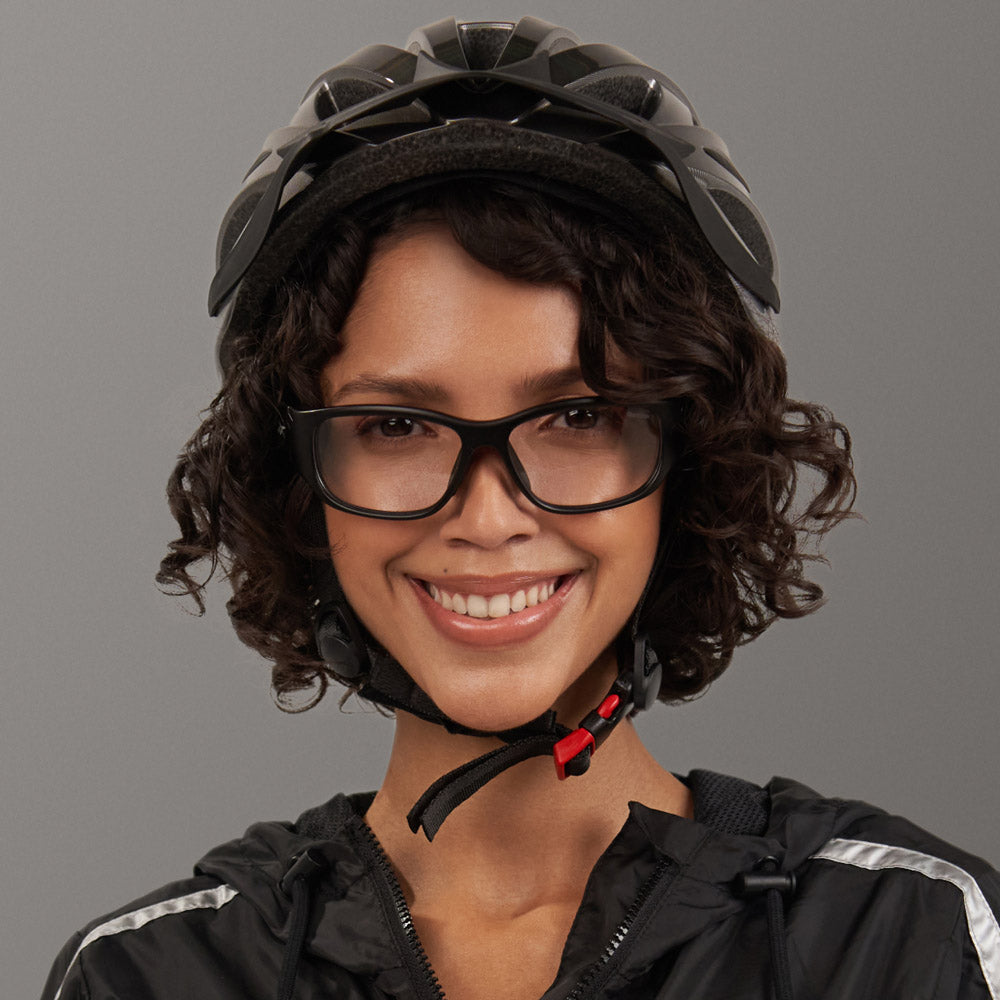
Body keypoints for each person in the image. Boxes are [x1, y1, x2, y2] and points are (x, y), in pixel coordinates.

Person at [41, 16, 999, 1000]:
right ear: (297, 480)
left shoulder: (907, 939)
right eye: (398, 426)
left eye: (577, 415)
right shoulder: (147, 977)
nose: (489, 516)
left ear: (692, 456)